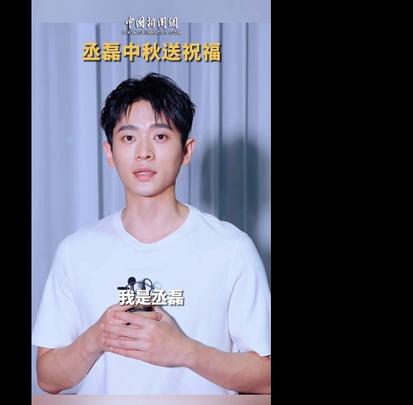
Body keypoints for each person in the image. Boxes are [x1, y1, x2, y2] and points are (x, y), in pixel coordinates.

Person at [32, 73, 271, 395]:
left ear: (186, 151)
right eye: (128, 138)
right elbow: (48, 378)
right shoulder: (76, 251)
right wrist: (96, 338)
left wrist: (184, 350)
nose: (143, 152)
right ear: (109, 152)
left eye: (160, 136)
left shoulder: (232, 249)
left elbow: (266, 375)